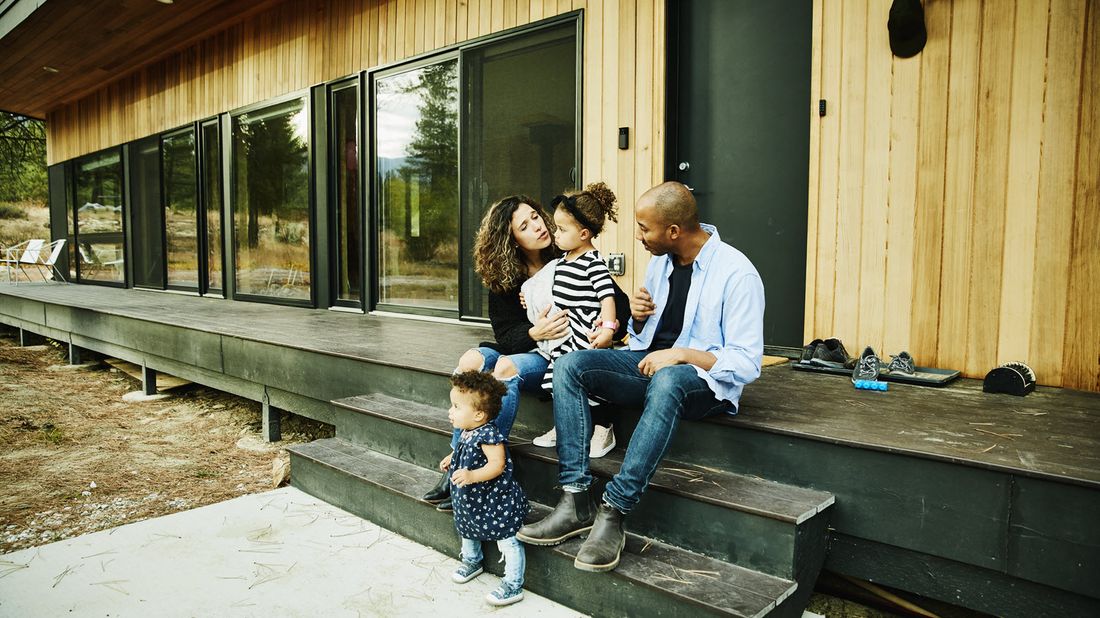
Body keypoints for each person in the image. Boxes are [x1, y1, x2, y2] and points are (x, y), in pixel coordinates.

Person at [516, 181, 765, 573]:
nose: (637, 235)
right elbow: (645, 341)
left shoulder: (737, 273)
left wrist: (683, 355)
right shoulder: (661, 263)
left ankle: (614, 509)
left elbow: (748, 361)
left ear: (673, 231)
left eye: (644, 228)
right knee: (570, 365)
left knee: (670, 379)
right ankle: (576, 499)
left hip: (705, 384)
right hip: (651, 364)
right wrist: (638, 316)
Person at [422, 195, 630, 511]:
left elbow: (616, 304)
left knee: (505, 367)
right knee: (471, 362)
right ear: (511, 239)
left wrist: (605, 323)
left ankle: (485, 466)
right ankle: (459, 457)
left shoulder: (568, 249)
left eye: (535, 216)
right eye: (525, 225)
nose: (538, 226)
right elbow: (506, 336)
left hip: (556, 354)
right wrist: (536, 331)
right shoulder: (506, 275)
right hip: (530, 344)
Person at [529, 182, 622, 456]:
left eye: (561, 230)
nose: (555, 234)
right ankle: (565, 426)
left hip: (586, 333)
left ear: (583, 233)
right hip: (566, 335)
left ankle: (604, 429)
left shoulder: (593, 261)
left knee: (591, 387)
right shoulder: (565, 260)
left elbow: (607, 297)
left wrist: (607, 329)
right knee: (559, 384)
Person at [445, 370, 529, 607]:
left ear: (479, 414)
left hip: (494, 501)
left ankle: (513, 584)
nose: (450, 411)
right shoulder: (467, 431)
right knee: (467, 529)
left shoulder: (490, 435)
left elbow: (497, 465)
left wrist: (471, 475)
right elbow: (463, 452)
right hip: (471, 500)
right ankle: (473, 561)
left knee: (507, 539)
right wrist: (452, 458)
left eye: (456, 407)